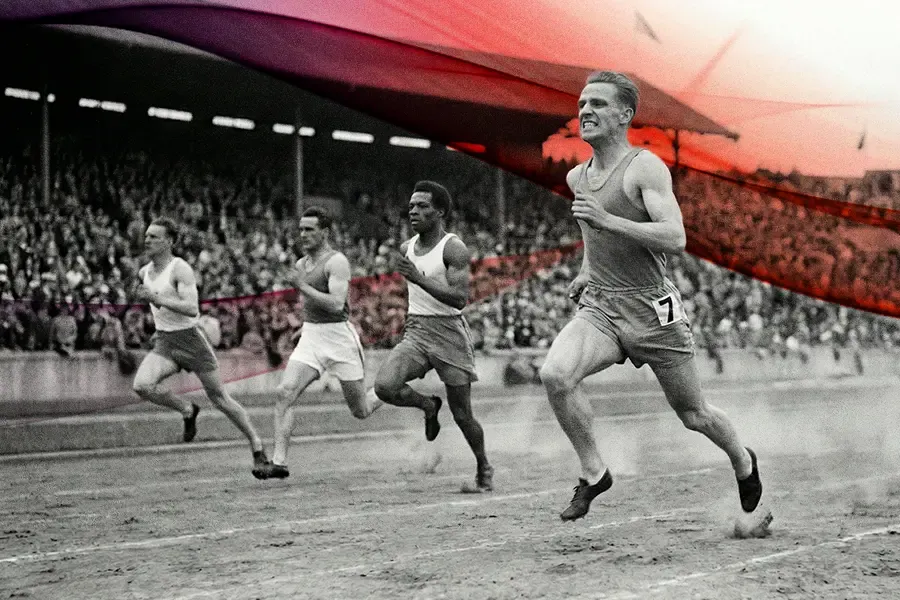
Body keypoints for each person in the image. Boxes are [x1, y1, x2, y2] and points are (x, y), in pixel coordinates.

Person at [539, 71, 763, 521]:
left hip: (652, 308)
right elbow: (593, 235)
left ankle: (742, 458)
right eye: (582, 103)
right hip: (602, 305)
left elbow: (674, 236)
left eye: (598, 104)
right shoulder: (576, 176)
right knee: (555, 374)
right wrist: (586, 270)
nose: (585, 111)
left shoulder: (645, 167)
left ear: (625, 115)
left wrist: (607, 220)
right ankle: (594, 472)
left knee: (694, 413)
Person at [374, 181, 494, 493]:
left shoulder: (453, 248)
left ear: (439, 212)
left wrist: (418, 277)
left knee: (463, 414)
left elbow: (459, 298)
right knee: (385, 386)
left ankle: (483, 465)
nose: (413, 211)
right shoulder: (406, 248)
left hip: (449, 333)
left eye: (422, 206)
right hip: (417, 330)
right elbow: (415, 292)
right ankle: (428, 406)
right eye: (411, 205)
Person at [131, 217, 269, 478]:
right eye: (147, 235)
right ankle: (187, 409)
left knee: (220, 399)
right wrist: (157, 327)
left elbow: (192, 308)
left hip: (192, 341)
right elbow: (159, 308)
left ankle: (257, 446)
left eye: (154, 236)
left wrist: (156, 299)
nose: (147, 240)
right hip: (165, 341)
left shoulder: (180, 269)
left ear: (169, 241)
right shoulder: (144, 272)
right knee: (141, 386)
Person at [255, 206, 383, 480]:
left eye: (309, 229)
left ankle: (387, 389)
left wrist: (302, 286)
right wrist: (303, 326)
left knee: (360, 410)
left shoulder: (336, 262)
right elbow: (312, 304)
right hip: (313, 336)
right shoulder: (302, 265)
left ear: (324, 232)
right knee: (285, 392)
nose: (303, 234)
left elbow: (337, 305)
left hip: (339, 338)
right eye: (301, 229)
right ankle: (279, 462)